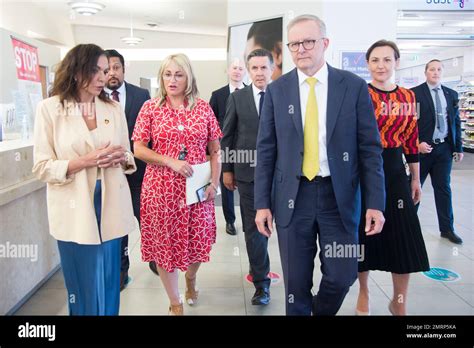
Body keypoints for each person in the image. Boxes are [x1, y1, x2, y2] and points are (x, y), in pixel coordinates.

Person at [254, 14, 386, 316]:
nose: (301, 49)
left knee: (343, 276)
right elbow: (266, 151)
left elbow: (369, 149)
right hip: (292, 198)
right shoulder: (278, 91)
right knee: (295, 286)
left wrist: (375, 203)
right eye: (294, 44)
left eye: (308, 41)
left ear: (324, 43)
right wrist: (262, 203)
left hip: (338, 198)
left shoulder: (352, 87)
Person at [32, 44, 136, 315]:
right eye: (96, 71)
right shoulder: (49, 109)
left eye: (106, 70)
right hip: (74, 206)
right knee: (82, 283)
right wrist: (85, 161)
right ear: (76, 72)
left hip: (110, 203)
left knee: (110, 279)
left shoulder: (112, 109)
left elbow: (128, 156)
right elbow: (42, 167)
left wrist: (119, 158)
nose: (103, 77)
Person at [132, 53, 222, 315]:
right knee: (164, 248)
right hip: (159, 191)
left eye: (179, 74)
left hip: (196, 190)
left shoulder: (203, 108)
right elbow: (138, 148)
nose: (172, 80)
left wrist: (214, 184)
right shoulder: (151, 108)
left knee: (199, 244)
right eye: (167, 74)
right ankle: (175, 303)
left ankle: (191, 278)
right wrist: (169, 161)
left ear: (189, 77)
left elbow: (215, 150)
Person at [356, 40, 430, 316]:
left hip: (394, 170)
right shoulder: (359, 94)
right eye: (375, 60)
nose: (381, 66)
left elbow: (411, 140)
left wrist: (415, 178)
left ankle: (399, 301)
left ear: (397, 62)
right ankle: (364, 293)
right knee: (363, 236)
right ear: (367, 64)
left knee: (403, 236)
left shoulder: (408, 97)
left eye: (387, 60)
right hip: (363, 169)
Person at [221, 49, 274, 305]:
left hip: (282, 176)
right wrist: (227, 169)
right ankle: (262, 284)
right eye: (255, 68)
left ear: (272, 69)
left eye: (264, 68)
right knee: (254, 230)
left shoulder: (284, 94)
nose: (259, 73)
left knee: (287, 230)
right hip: (247, 175)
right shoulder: (238, 98)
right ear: (248, 70)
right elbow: (227, 135)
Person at [104, 49, 153, 289]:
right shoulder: (94, 98)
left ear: (124, 69)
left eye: (116, 67)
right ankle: (122, 270)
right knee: (118, 224)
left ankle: (155, 258)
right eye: (107, 68)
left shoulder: (141, 94)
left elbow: (150, 134)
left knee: (147, 218)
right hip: (111, 175)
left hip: (140, 173)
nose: (112, 73)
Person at [412, 60, 464, 245]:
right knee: (414, 189)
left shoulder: (451, 94)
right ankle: (408, 228)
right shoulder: (414, 94)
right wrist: (416, 143)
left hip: (443, 149)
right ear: (425, 72)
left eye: (439, 69)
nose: (435, 72)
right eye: (432, 69)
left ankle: (447, 229)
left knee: (443, 189)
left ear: (443, 72)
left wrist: (458, 147)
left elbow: (455, 122)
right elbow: (409, 122)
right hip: (422, 150)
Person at [209, 58, 246, 236]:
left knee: (247, 184)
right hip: (225, 147)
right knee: (227, 184)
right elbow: (210, 121)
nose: (237, 71)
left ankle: (249, 220)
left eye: (240, 68)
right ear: (228, 71)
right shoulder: (218, 95)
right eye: (234, 68)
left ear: (244, 72)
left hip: (247, 148)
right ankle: (230, 220)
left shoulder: (251, 92)